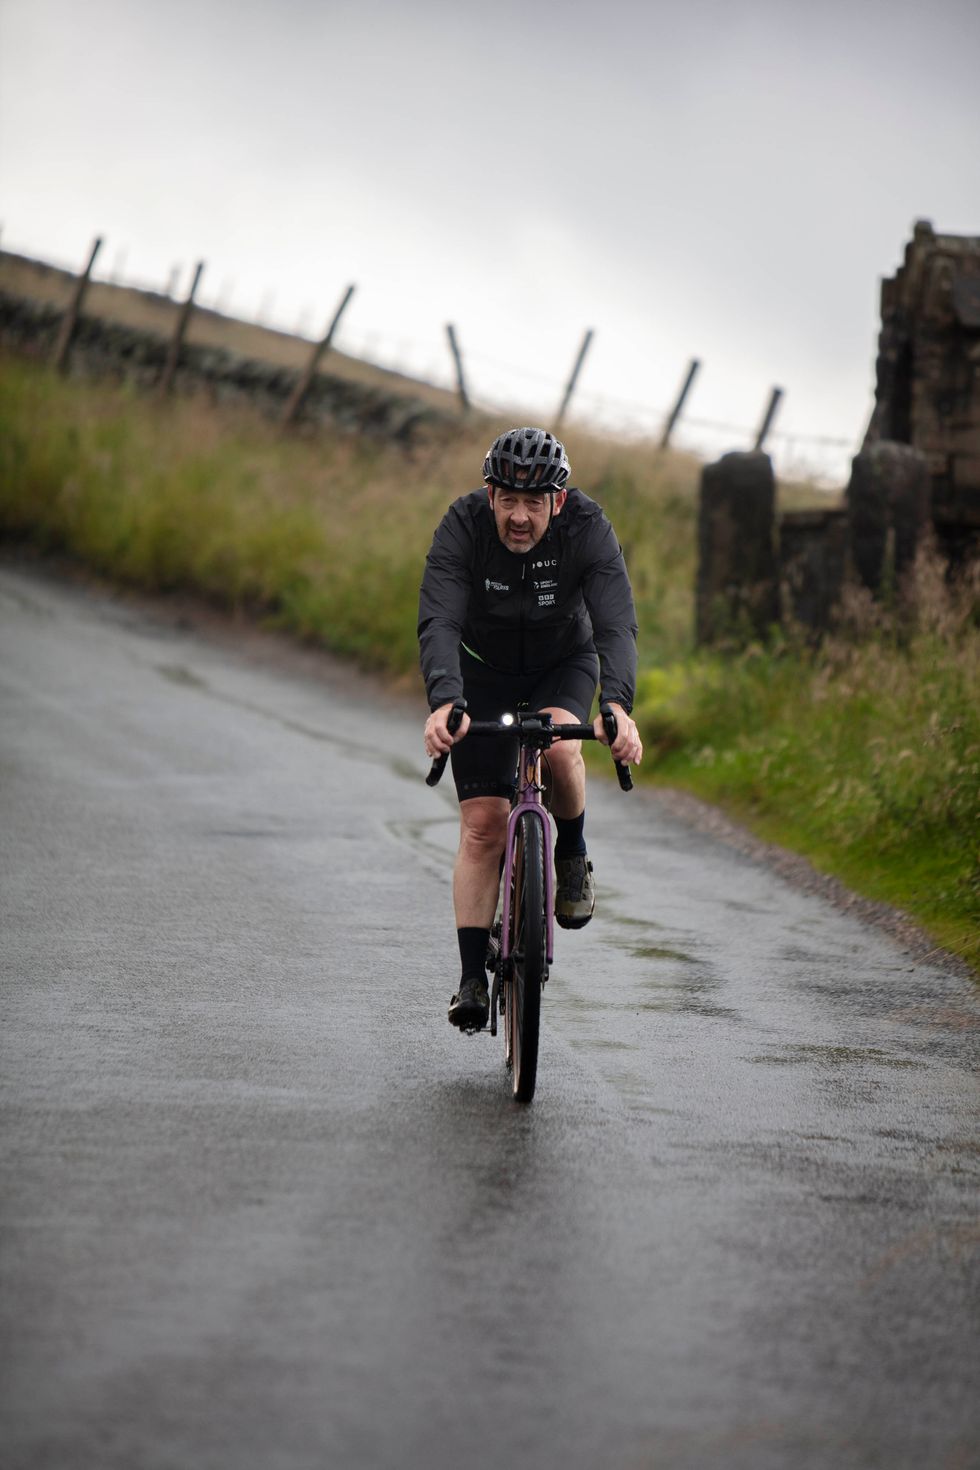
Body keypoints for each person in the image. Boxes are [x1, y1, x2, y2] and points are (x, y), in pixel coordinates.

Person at [418, 426, 643, 1031]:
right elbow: (439, 618)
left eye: (534, 504)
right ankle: (470, 976)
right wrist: (445, 702)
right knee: (483, 825)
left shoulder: (588, 527)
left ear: (558, 502)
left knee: (564, 751)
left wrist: (617, 705)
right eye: (508, 502)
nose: (520, 518)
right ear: (489, 495)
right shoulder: (462, 527)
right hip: (481, 673)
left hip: (561, 666)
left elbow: (616, 623)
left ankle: (571, 853)